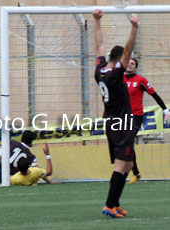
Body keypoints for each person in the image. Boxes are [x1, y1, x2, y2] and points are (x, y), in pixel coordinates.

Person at [93, 9, 138, 218]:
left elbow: (99, 45)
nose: (128, 62)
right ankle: (109, 205)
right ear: (120, 59)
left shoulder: (100, 70)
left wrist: (97, 21)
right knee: (121, 166)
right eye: (126, 60)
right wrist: (134, 28)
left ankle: (116, 203)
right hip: (122, 123)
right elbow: (128, 48)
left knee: (128, 163)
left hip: (111, 122)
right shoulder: (115, 73)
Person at [124, 58, 170, 184]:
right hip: (122, 116)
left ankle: (133, 172)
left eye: (132, 63)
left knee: (128, 141)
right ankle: (135, 173)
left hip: (136, 116)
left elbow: (154, 94)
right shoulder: (119, 79)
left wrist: (165, 110)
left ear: (136, 67)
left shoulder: (141, 80)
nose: (130, 64)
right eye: (128, 62)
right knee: (124, 144)